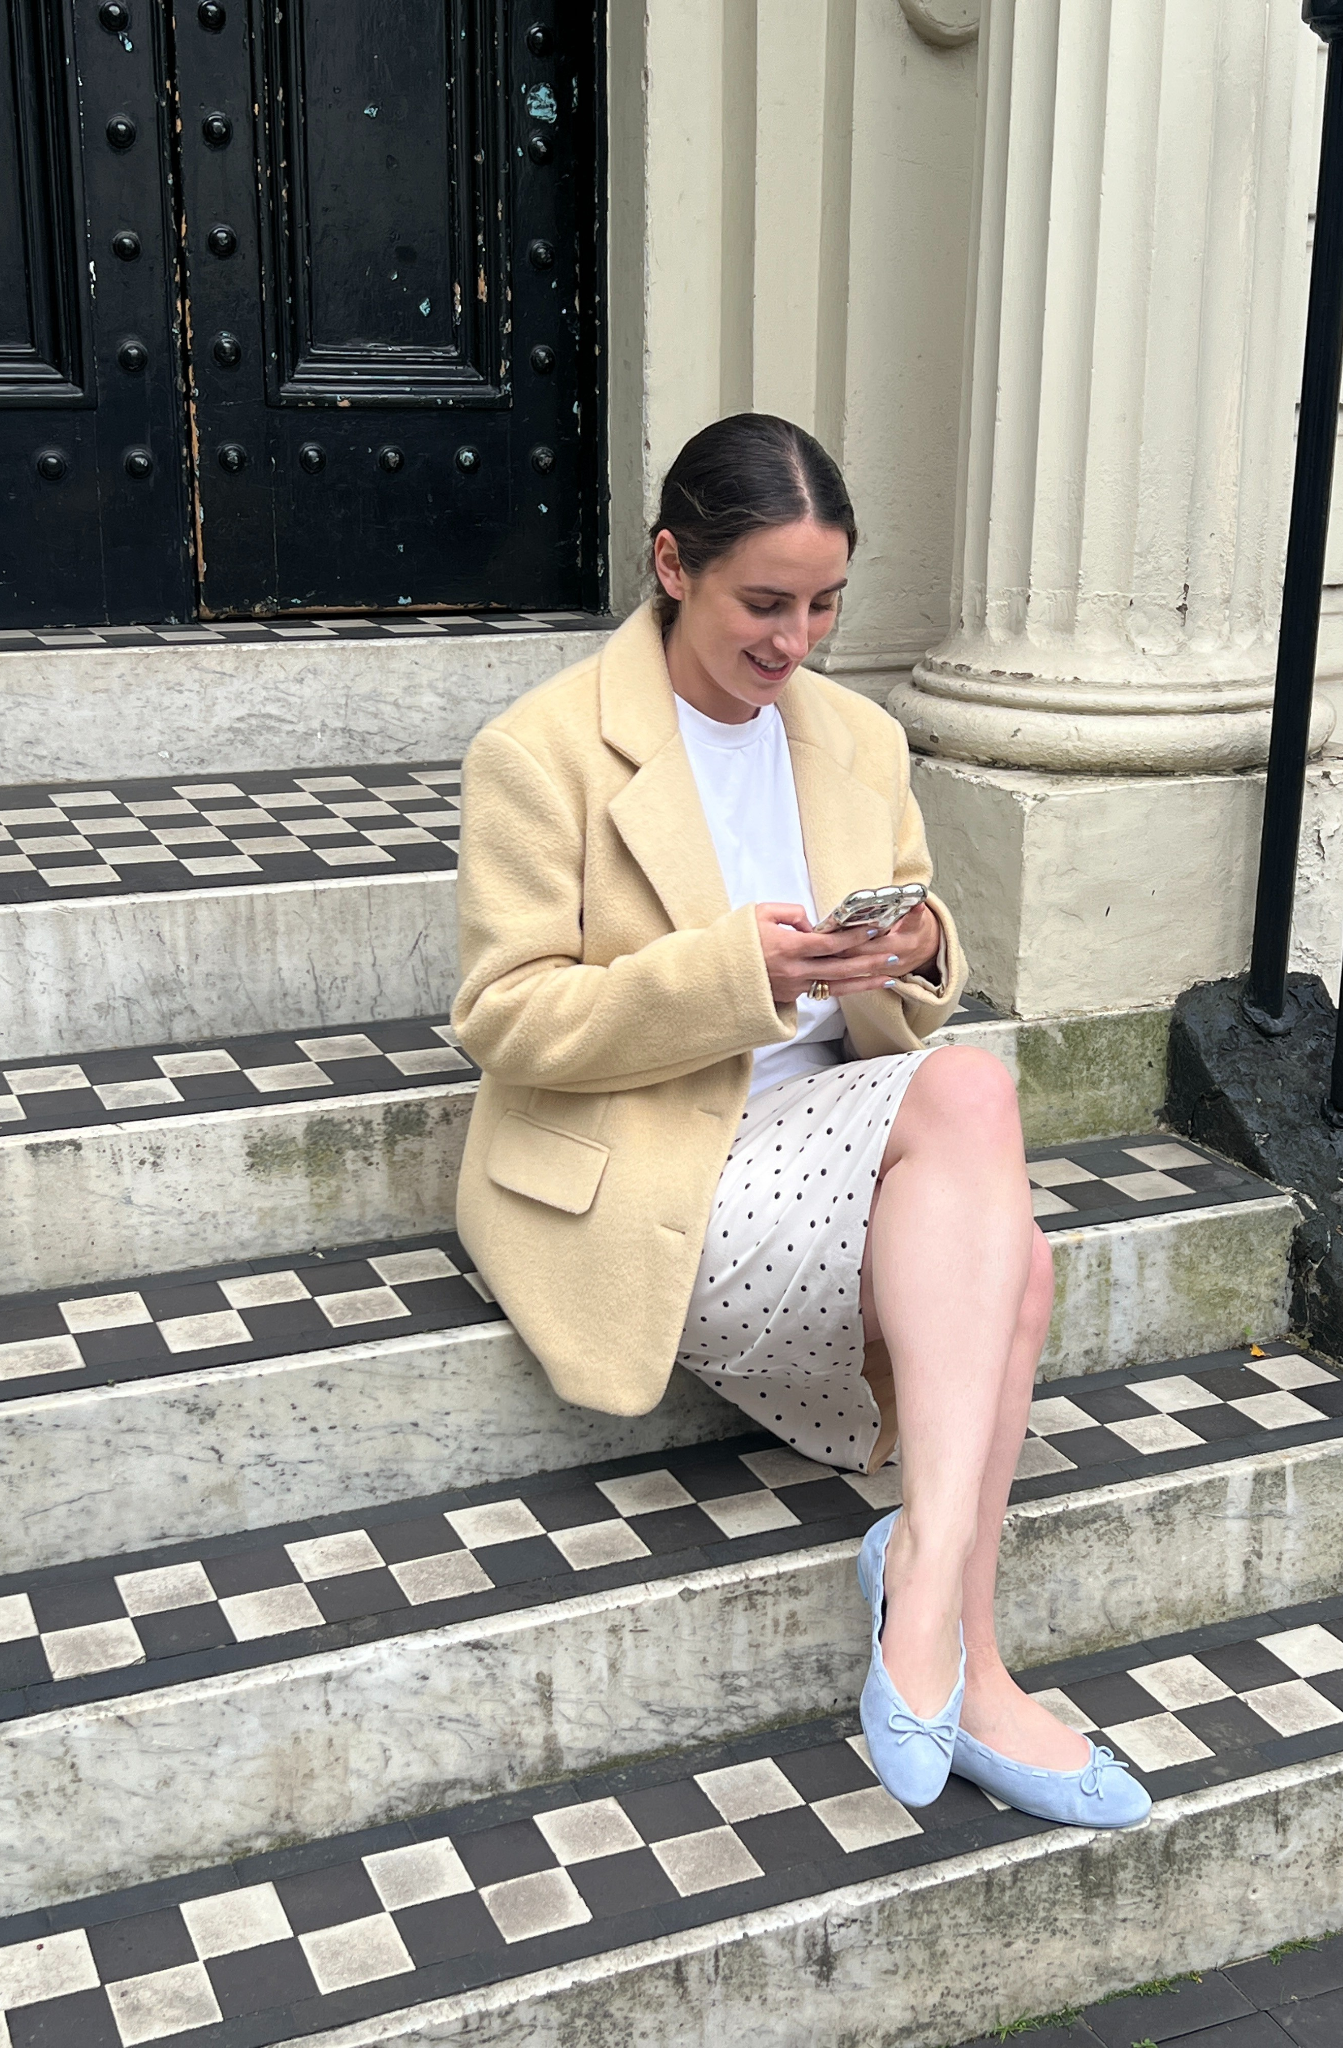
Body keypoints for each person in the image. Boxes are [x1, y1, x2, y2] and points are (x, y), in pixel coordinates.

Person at [452, 413, 1148, 1828]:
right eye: (764, 602)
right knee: (1012, 1252)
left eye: (825, 604)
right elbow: (505, 1018)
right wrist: (733, 975)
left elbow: (917, 954)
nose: (797, 641)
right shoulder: (541, 754)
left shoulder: (858, 738)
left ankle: (935, 1609)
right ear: (671, 565)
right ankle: (961, 1633)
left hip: (842, 1131)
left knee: (979, 1127)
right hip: (662, 1168)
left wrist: (914, 951)